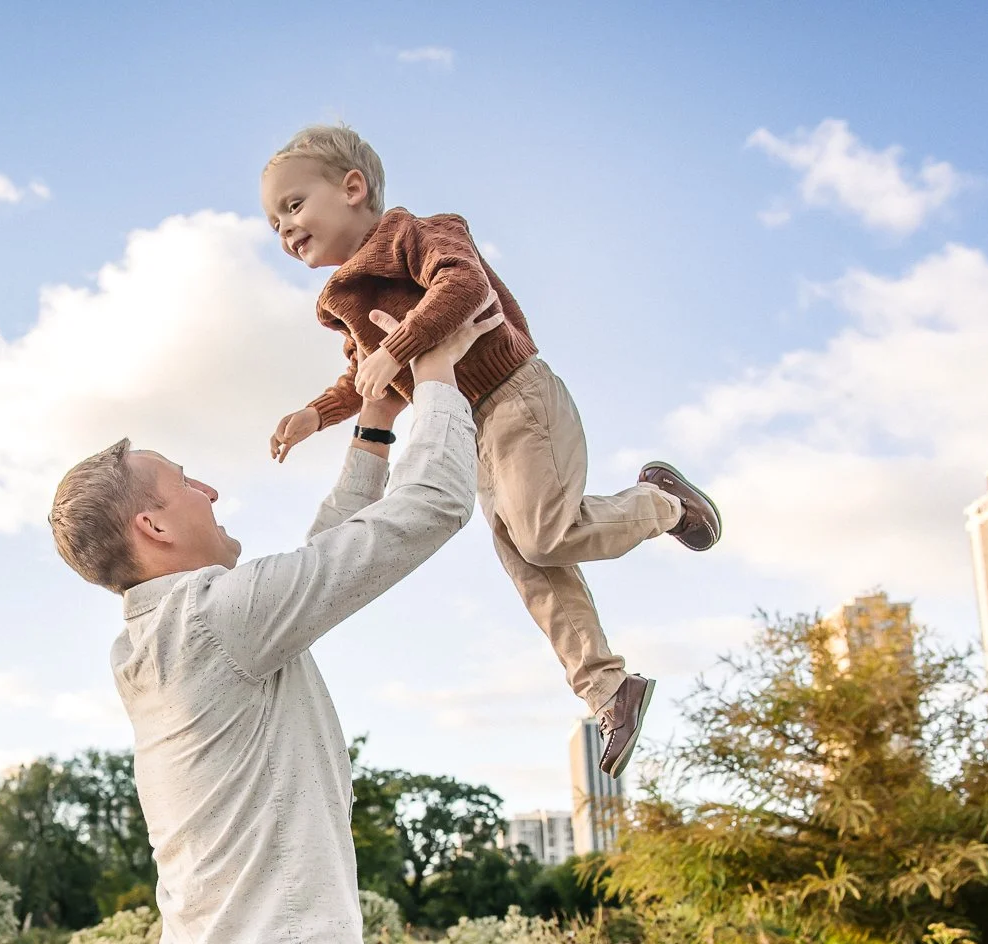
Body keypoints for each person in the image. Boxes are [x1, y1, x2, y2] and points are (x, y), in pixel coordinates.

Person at [46, 299, 499, 944]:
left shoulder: (156, 639)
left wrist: (372, 424)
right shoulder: (219, 620)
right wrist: (438, 373)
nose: (210, 486)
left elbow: (319, 569)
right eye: (185, 481)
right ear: (154, 526)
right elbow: (431, 507)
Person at [262, 124, 724, 777]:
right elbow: (364, 376)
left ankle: (663, 503)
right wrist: (317, 413)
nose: (284, 228)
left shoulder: (417, 234)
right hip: (470, 430)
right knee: (532, 567)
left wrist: (400, 347)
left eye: (293, 205)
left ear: (353, 188)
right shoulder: (347, 300)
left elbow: (464, 286)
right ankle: (607, 689)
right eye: (273, 223)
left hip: (516, 396)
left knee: (544, 534)